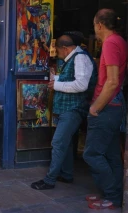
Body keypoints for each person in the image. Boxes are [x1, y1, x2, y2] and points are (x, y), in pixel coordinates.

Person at [30, 35, 96, 190]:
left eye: (58, 50)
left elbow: (81, 85)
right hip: (67, 108)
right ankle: (66, 174)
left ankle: (50, 180)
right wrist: (57, 79)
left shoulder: (80, 58)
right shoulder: (74, 58)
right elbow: (72, 78)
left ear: (65, 48)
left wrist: (57, 85)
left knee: (58, 142)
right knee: (65, 143)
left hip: (73, 109)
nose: (57, 53)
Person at [83, 9, 127, 209]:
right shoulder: (119, 41)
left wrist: (95, 108)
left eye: (94, 25)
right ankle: (113, 197)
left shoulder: (110, 43)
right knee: (110, 155)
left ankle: (111, 194)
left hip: (107, 106)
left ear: (99, 25)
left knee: (91, 154)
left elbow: (112, 82)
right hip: (114, 105)